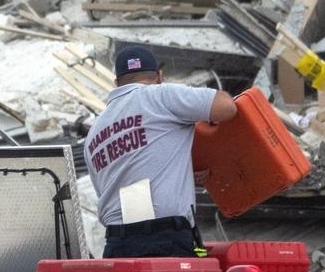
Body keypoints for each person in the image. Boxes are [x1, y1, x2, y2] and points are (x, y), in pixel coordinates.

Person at [83, 45, 238, 258]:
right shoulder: (160, 95)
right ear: (159, 76)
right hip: (166, 239)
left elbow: (124, 178)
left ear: (117, 83)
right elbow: (226, 107)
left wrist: (181, 173)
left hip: (117, 245)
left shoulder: (94, 132)